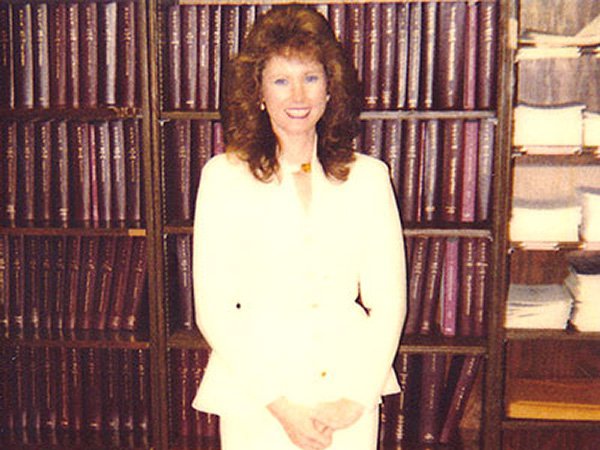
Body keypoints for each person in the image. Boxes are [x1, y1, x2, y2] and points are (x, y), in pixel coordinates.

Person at [191, 5, 407, 450]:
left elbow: (389, 302)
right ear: (259, 92)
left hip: (347, 398)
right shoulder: (223, 177)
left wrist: (355, 398)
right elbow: (213, 310)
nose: (298, 95)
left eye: (310, 77)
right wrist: (282, 407)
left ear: (330, 89)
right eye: (281, 80)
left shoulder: (369, 176)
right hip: (259, 399)